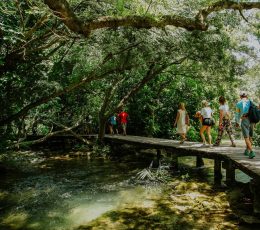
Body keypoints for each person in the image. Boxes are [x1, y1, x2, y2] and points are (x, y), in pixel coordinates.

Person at [235, 91, 255, 159]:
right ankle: (247, 150)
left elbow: (237, 114)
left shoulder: (238, 103)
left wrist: (237, 122)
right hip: (252, 120)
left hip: (245, 120)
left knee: (246, 137)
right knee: (250, 136)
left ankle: (251, 152)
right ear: (246, 96)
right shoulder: (250, 102)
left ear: (240, 96)